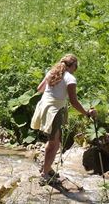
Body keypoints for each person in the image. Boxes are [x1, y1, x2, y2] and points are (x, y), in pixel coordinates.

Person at [31, 54, 97, 186]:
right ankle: (44, 174)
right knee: (54, 142)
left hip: (44, 106)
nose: (75, 69)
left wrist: (53, 90)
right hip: (54, 111)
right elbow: (73, 102)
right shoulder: (70, 78)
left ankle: (47, 168)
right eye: (76, 67)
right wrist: (87, 113)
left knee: (54, 140)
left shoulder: (52, 72)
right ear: (73, 66)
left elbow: (40, 89)